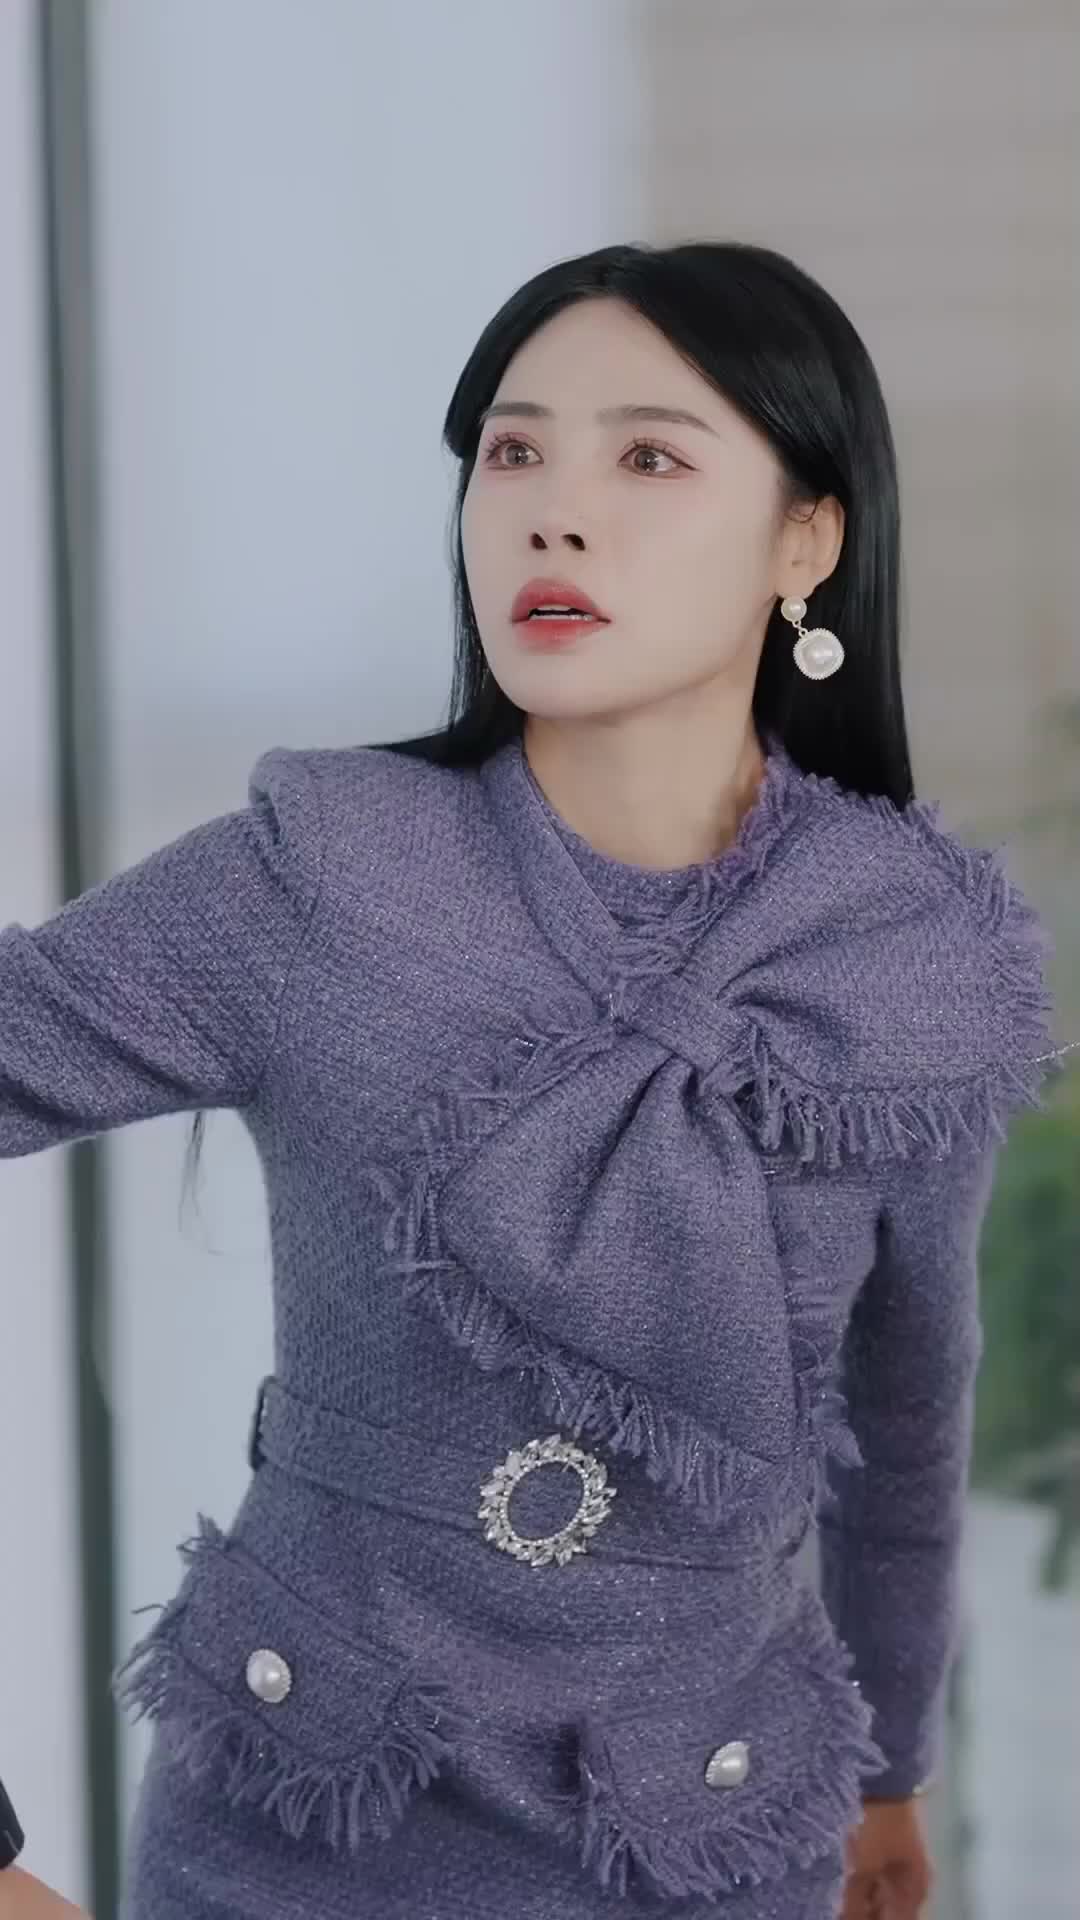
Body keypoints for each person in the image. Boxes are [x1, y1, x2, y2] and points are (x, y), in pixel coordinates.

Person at [1, 239, 1066, 1920]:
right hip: (294, 1828)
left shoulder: (902, 956)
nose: (554, 515)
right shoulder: (322, 874)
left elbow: (907, 1419)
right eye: (513, 452)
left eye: (648, 456)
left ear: (807, 538)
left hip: (723, 1837)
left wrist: (891, 1773)